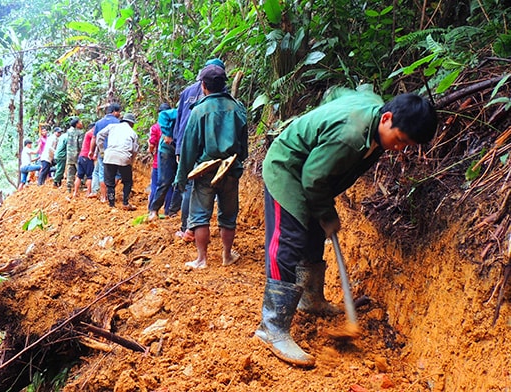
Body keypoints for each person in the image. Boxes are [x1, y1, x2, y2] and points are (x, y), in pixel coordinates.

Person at [254, 88, 438, 368]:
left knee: (314, 233)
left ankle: (310, 300)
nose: (400, 148)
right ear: (386, 118)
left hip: (311, 172)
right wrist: (327, 213)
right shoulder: (350, 137)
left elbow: (335, 93)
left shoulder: (374, 115)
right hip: (288, 169)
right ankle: (272, 326)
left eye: (407, 145)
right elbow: (313, 180)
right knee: (289, 240)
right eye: (400, 140)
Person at [174, 64, 248, 269]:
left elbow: (189, 147)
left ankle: (202, 259)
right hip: (230, 168)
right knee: (228, 214)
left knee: (200, 214)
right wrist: (238, 160)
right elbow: (244, 143)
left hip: (205, 170)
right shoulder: (237, 107)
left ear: (204, 86)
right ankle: (226, 255)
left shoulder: (198, 110)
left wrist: (181, 178)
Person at [172, 58, 227, 243]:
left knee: (190, 186)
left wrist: (178, 147)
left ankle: (187, 229)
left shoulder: (187, 92)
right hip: (210, 147)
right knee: (215, 188)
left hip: (187, 145)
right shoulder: (221, 93)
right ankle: (201, 227)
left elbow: (179, 121)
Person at [96, 113, 139, 210]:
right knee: (127, 181)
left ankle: (111, 204)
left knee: (110, 183)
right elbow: (135, 150)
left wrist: (102, 150)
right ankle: (125, 203)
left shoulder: (112, 127)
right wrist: (131, 162)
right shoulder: (132, 133)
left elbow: (99, 135)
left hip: (109, 156)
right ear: (131, 123)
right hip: (124, 157)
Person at [147, 104, 178, 220]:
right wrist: (167, 135)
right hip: (167, 151)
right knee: (165, 182)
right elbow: (163, 115)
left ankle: (171, 211)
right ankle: (154, 210)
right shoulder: (178, 112)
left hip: (181, 150)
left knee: (178, 183)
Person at [89, 103, 122, 201]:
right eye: (119, 112)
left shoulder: (98, 123)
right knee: (117, 174)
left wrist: (91, 151)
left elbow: (94, 138)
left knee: (102, 174)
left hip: (102, 152)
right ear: (114, 112)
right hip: (116, 151)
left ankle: (104, 197)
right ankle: (109, 191)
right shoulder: (118, 123)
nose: (120, 114)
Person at [73, 123, 96, 198]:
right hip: (87, 157)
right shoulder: (90, 134)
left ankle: (75, 192)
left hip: (81, 156)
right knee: (90, 176)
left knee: (79, 175)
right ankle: (88, 192)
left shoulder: (87, 134)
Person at [65, 117, 85, 193]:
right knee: (80, 171)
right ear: (77, 124)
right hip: (77, 154)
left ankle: (69, 188)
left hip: (69, 154)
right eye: (80, 122)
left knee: (70, 171)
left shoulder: (68, 131)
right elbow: (81, 144)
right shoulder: (80, 132)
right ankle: (80, 187)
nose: (81, 123)